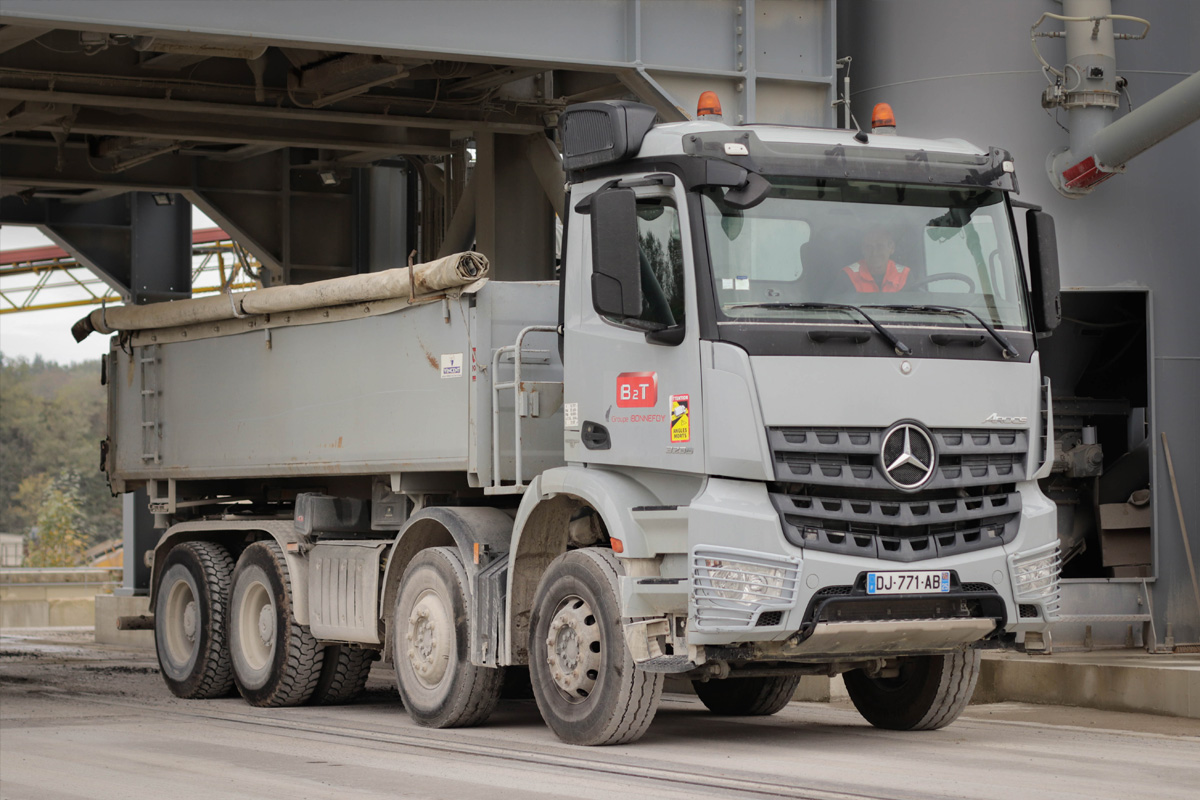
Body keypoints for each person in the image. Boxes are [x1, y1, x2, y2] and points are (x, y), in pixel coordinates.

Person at [843, 228, 909, 292]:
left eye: (880, 246)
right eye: (869, 247)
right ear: (863, 250)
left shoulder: (904, 276)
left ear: (891, 248)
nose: (874, 253)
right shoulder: (848, 276)